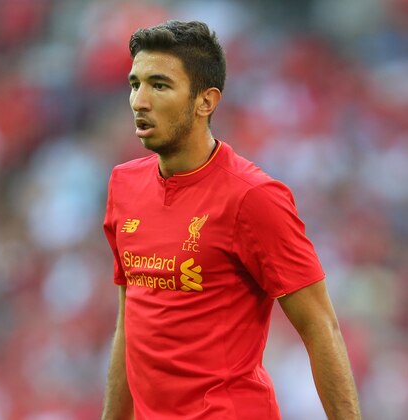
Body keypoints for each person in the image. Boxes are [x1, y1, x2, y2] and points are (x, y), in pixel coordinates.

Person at [101, 20, 361, 419]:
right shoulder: (124, 184)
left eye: (160, 85)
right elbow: (129, 323)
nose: (139, 101)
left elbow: (320, 327)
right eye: (135, 84)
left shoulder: (253, 197)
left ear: (206, 101)